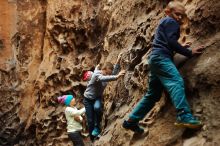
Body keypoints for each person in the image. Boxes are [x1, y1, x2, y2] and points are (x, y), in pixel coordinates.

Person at [123, 1, 204, 134]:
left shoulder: (164, 22)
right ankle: (184, 115)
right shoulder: (171, 22)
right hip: (161, 59)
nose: (179, 18)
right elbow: (171, 42)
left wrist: (181, 47)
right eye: (177, 14)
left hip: (155, 60)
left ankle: (131, 121)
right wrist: (189, 52)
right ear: (167, 12)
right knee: (176, 81)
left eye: (182, 16)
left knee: (153, 95)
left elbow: (166, 42)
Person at [83, 54, 125, 141]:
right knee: (90, 120)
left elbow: (113, 73)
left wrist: (118, 60)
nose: (110, 73)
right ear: (105, 69)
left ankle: (97, 128)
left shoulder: (105, 74)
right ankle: (92, 138)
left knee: (97, 108)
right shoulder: (96, 75)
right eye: (109, 71)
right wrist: (117, 77)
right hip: (87, 100)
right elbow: (104, 78)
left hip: (97, 97)